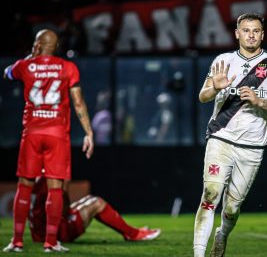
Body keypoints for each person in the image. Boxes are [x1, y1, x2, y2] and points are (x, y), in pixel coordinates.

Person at [193, 13, 267, 257]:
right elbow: (203, 96)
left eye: (256, 30)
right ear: (237, 33)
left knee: (232, 208)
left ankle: (222, 235)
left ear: (262, 34)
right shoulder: (224, 60)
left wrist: (260, 101)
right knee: (210, 194)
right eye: (246, 30)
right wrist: (214, 86)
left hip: (252, 146)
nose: (251, 35)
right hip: (221, 138)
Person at [3, 29, 94, 253]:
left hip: (32, 133)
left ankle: (16, 241)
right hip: (57, 134)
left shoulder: (26, 66)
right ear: (56, 46)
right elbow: (79, 102)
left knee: (24, 186)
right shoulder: (67, 67)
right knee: (55, 187)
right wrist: (89, 132)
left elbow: (6, 73)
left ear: (37, 44)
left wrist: (31, 58)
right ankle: (51, 242)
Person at [28, 177, 161, 243]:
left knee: (89, 200)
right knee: (97, 203)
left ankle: (16, 240)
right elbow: (62, 211)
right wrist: (65, 188)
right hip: (57, 233)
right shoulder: (51, 174)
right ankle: (133, 234)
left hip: (38, 233)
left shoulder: (35, 173)